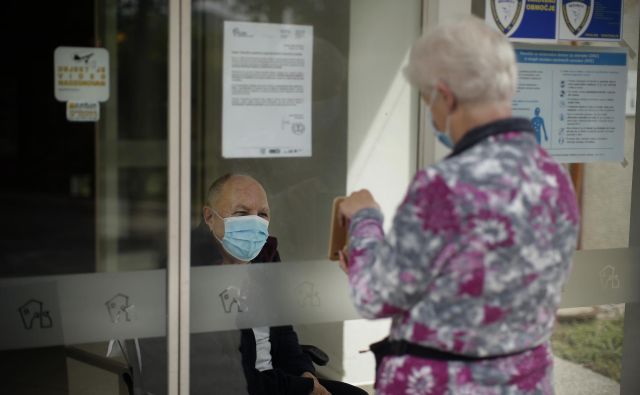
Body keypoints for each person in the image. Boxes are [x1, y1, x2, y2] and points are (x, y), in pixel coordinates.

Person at [338, 17, 580, 394]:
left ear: (445, 95)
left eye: (426, 100)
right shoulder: (553, 176)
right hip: (527, 381)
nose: (431, 113)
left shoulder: (442, 187)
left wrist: (365, 222)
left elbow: (373, 297)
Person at [192, 173, 367, 395]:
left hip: (280, 379)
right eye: (241, 213)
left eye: (262, 214)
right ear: (209, 217)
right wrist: (303, 388)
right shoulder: (193, 271)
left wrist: (305, 373)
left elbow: (283, 331)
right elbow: (226, 375)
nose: (255, 223)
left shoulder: (265, 256)